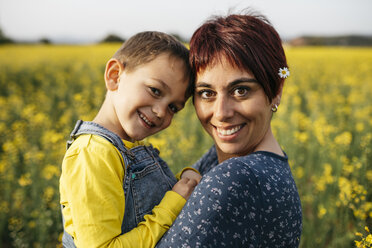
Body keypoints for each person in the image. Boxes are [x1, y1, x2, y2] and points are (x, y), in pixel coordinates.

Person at [156, 11, 302, 247]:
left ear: (276, 90)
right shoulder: (230, 159)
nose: (221, 112)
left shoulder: (236, 176)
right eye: (206, 93)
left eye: (241, 90)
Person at [59, 31, 201, 248]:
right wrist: (172, 205)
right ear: (115, 76)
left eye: (173, 107)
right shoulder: (94, 153)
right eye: (155, 90)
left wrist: (186, 180)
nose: (162, 112)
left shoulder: (126, 148)